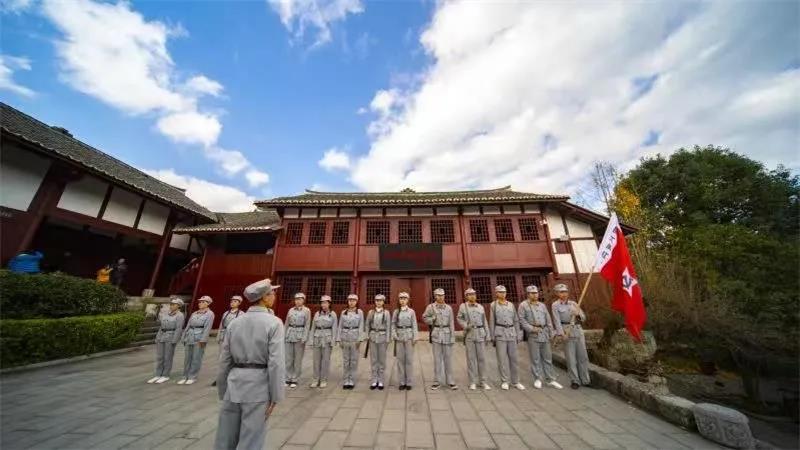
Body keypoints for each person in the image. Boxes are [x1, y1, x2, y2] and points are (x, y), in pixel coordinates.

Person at [214, 278, 285, 450]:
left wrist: (223, 389)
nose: (274, 296)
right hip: (258, 385)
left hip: (234, 383)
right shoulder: (274, 322)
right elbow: (276, 363)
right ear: (264, 298)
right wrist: (276, 395)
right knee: (251, 438)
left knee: (225, 437)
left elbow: (225, 360)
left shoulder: (235, 322)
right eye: (272, 293)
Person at [518, 285, 562, 389]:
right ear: (528, 294)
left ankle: (550, 379)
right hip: (533, 334)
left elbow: (548, 319)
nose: (535, 295)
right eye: (532, 293)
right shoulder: (523, 305)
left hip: (544, 333)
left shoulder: (542, 305)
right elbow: (522, 320)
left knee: (547, 358)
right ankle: (537, 378)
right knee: (535, 358)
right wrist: (531, 328)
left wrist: (551, 332)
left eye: (536, 293)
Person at [551, 283, 591, 389]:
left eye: (565, 291)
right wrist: (561, 334)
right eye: (561, 292)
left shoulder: (574, 303)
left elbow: (584, 318)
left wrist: (578, 314)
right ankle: (575, 380)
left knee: (583, 357)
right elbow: (557, 321)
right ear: (557, 293)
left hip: (578, 331)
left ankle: (585, 380)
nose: (564, 294)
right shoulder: (555, 305)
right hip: (566, 332)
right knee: (571, 358)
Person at [489, 285, 525, 390]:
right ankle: (504, 380)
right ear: (496, 293)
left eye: (504, 292)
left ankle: (516, 381)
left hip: (511, 333)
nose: (502, 294)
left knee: (514, 358)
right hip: (500, 333)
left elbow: (516, 320)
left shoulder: (511, 305)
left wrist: (518, 334)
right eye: (500, 292)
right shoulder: (493, 305)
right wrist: (492, 336)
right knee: (502, 359)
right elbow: (492, 321)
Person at [457, 288, 491, 390]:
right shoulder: (463, 306)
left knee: (482, 359)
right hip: (470, 334)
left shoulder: (480, 307)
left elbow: (484, 321)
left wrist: (487, 335)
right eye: (470, 294)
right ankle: (472, 382)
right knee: (471, 359)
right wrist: (465, 325)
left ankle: (483, 381)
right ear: (466, 296)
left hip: (480, 333)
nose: (472, 296)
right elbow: (459, 318)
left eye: (474, 294)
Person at [423, 288, 457, 390]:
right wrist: (432, 319)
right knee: (437, 360)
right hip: (436, 334)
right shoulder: (431, 307)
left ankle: (450, 381)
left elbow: (451, 323)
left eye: (442, 295)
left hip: (447, 334)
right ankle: (437, 381)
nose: (440, 297)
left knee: (448, 359)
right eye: (438, 295)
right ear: (435, 296)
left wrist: (452, 337)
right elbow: (424, 317)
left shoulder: (448, 308)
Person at [148, 297, 185, 384]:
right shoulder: (166, 314)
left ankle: (165, 375)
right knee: (160, 357)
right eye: (171, 304)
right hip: (161, 336)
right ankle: (158, 374)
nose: (171, 306)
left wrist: (175, 340)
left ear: (179, 306)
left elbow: (178, 329)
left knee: (167, 357)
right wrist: (157, 337)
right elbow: (162, 326)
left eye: (174, 304)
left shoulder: (180, 315)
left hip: (170, 337)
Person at [179, 295, 215, 385]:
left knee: (196, 358)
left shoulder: (210, 314)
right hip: (190, 336)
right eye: (200, 302)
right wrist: (184, 336)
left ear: (208, 303)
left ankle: (192, 376)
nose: (200, 303)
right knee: (187, 358)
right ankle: (185, 376)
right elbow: (188, 325)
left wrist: (203, 340)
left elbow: (207, 328)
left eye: (203, 302)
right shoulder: (194, 313)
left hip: (199, 337)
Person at [336, 294, 365, 389]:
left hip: (354, 338)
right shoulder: (344, 312)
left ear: (356, 302)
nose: (351, 302)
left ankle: (352, 380)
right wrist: (339, 339)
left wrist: (360, 339)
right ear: (347, 301)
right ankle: (346, 380)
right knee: (346, 360)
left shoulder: (359, 312)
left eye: (353, 300)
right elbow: (340, 326)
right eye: (350, 300)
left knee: (353, 360)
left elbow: (361, 325)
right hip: (345, 338)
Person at [309, 295, 337, 388]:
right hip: (317, 337)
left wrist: (333, 341)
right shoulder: (317, 314)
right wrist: (311, 340)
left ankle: (323, 379)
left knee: (325, 360)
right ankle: (315, 379)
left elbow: (334, 328)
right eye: (322, 303)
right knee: (316, 360)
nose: (323, 305)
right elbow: (313, 327)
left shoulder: (332, 314)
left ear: (329, 303)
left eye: (325, 303)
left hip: (327, 338)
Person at [284, 292, 311, 388]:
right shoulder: (291, 310)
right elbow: (287, 323)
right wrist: (284, 335)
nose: (298, 301)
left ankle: (295, 378)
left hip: (300, 335)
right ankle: (287, 377)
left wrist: (305, 337)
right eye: (296, 299)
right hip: (290, 334)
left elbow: (307, 324)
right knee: (288, 358)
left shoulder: (306, 310)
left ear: (303, 300)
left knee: (297, 359)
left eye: (300, 299)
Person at [392, 292, 418, 390]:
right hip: (399, 337)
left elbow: (414, 324)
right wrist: (394, 334)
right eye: (401, 299)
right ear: (399, 300)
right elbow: (393, 324)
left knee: (409, 360)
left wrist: (415, 337)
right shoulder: (396, 312)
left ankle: (409, 382)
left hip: (409, 336)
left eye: (404, 299)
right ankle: (402, 382)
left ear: (408, 300)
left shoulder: (411, 311)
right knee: (400, 360)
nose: (402, 300)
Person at [366, 294, 391, 390]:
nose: (378, 302)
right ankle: (374, 379)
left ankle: (381, 380)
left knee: (382, 360)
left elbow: (388, 326)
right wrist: (367, 335)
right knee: (374, 359)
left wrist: (388, 339)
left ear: (383, 302)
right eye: (377, 300)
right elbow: (367, 324)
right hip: (373, 337)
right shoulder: (371, 312)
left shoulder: (386, 313)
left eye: (380, 301)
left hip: (382, 337)